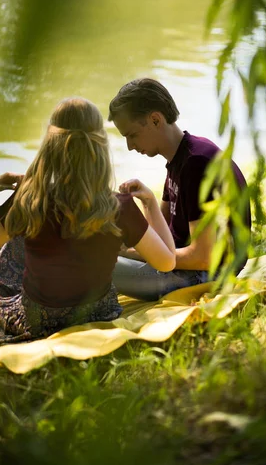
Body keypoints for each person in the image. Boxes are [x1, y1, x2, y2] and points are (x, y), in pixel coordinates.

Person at [0, 98, 175, 343]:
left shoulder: (30, 201)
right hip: (97, 315)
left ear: (50, 146)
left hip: (36, 322)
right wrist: (149, 204)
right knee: (7, 245)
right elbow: (167, 262)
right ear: (100, 147)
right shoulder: (119, 207)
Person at [108, 78, 251, 301]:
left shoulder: (197, 164)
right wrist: (145, 205)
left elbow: (204, 257)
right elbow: (162, 235)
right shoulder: (180, 159)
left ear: (155, 120)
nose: (130, 146)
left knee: (96, 264)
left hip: (209, 275)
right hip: (184, 266)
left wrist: (130, 253)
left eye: (132, 135)